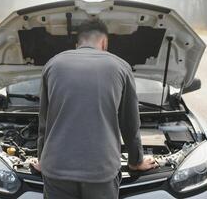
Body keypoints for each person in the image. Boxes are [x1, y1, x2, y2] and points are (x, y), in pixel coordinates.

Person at [30, 19, 158, 199]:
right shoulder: (121, 66)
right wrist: (136, 161)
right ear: (104, 42)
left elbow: (44, 121)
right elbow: (130, 123)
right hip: (101, 171)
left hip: (56, 169)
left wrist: (42, 159)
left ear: (77, 44)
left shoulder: (52, 65)